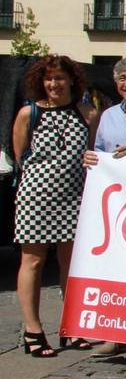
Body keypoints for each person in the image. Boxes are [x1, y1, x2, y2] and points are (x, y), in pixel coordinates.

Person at [13, 56, 96, 356]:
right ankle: (32, 329)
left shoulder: (87, 113)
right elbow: (21, 156)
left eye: (59, 78)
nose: (54, 84)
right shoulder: (29, 113)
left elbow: (92, 152)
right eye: (48, 78)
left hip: (74, 197)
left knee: (70, 262)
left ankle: (70, 325)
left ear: (72, 80)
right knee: (33, 260)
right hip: (36, 197)